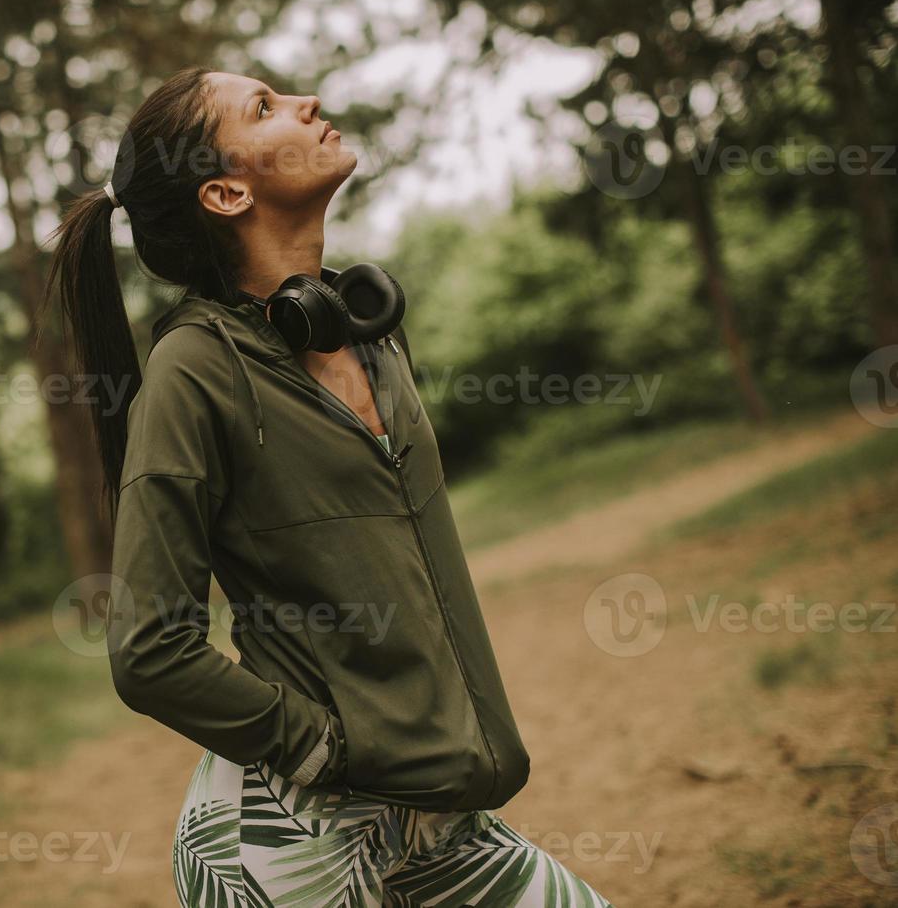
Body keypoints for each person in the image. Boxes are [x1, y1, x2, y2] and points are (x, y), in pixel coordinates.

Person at [39, 66, 614, 907]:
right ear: (227, 193)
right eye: (264, 108)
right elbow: (150, 648)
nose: (305, 103)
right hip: (285, 840)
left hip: (431, 813)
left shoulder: (369, 333)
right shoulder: (195, 368)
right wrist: (320, 747)